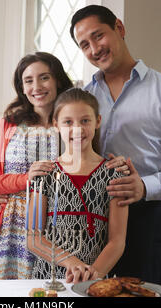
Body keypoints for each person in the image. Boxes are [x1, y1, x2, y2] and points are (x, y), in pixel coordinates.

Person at [69, 5, 161, 285]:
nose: (94, 49)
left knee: (139, 292)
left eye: (98, 36)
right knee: (84, 290)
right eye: (85, 44)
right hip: (88, 216)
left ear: (119, 28)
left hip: (147, 216)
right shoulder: (83, 97)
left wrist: (145, 186)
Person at [0, 52, 128, 279]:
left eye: (44, 77)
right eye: (28, 81)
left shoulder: (72, 123)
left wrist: (117, 164)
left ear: (57, 79)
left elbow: (92, 163)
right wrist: (24, 181)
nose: (36, 86)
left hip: (59, 231)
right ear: (21, 86)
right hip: (16, 229)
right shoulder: (5, 126)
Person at [26, 88, 128, 284]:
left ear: (98, 121)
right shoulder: (44, 174)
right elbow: (33, 238)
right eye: (68, 122)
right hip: (49, 278)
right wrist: (73, 264)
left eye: (85, 121)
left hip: (94, 280)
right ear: (56, 125)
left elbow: (117, 241)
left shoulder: (115, 174)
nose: (77, 129)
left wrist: (92, 274)